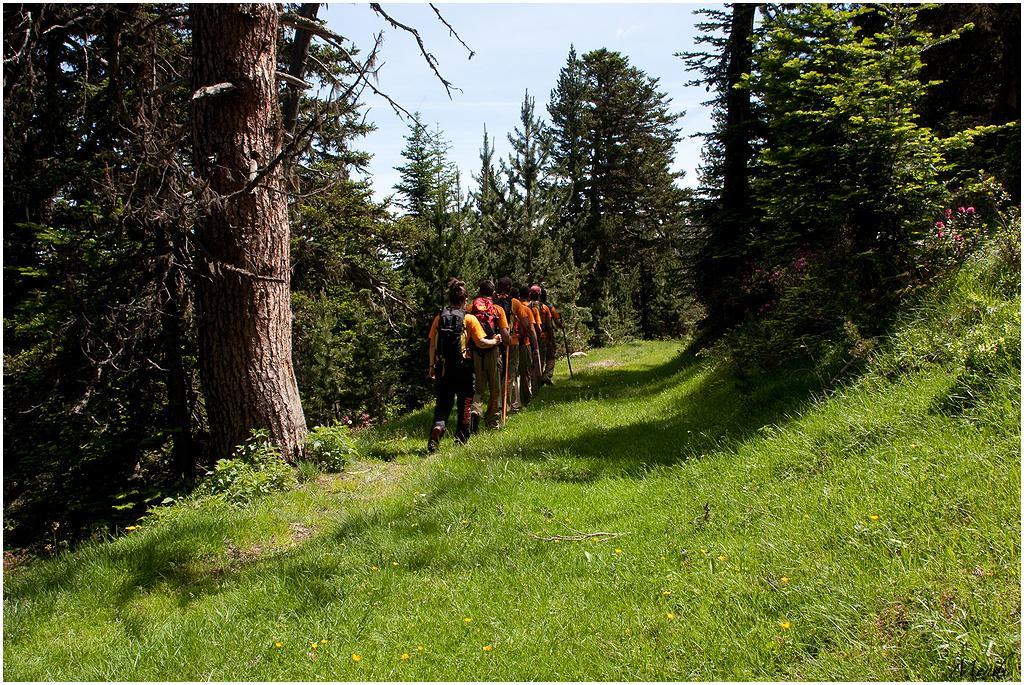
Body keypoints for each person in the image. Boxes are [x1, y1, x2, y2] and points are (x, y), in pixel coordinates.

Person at [426, 278, 500, 452]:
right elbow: (481, 342)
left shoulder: (439, 317)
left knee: (443, 403)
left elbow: (432, 345)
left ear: (450, 299)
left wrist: (431, 367)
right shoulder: (469, 319)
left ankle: (438, 427)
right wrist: (495, 341)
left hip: (443, 367)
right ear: (465, 300)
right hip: (464, 367)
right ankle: (461, 438)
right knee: (465, 402)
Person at [468, 279, 509, 430]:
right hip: (493, 351)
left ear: (479, 291)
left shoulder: (471, 307)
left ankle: (475, 411)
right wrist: (508, 340)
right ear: (493, 293)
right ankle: (492, 421)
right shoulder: (497, 309)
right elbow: (504, 336)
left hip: (477, 351)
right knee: (495, 387)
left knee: (478, 388)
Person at [493, 277, 520, 415]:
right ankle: (506, 406)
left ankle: (497, 406)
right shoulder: (514, 302)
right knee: (509, 375)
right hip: (511, 341)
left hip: (495, 342)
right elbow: (524, 322)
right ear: (509, 287)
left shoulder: (491, 302)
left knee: (498, 374)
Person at [513, 283, 542, 407]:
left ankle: (513, 401)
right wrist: (536, 347)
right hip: (525, 343)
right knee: (525, 372)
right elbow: (533, 329)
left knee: (513, 374)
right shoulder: (529, 309)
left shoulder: (512, 307)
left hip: (511, 343)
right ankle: (526, 398)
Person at [541, 287, 561, 384]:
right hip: (548, 335)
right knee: (551, 356)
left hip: (535, 336)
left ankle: (537, 376)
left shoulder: (530, 306)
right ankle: (547, 375)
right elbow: (557, 321)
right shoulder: (549, 307)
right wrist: (561, 325)